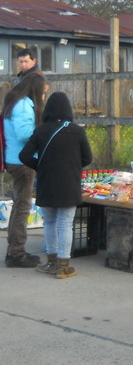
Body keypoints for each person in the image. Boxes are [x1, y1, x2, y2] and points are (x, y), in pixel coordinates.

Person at [20, 92, 93, 278]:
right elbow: (88, 158)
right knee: (65, 224)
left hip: (47, 182)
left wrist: (41, 167)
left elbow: (24, 156)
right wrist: (73, 167)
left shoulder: (40, 130)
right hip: (69, 183)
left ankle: (51, 262)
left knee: (50, 222)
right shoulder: (77, 131)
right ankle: (63, 266)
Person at [3, 73, 48, 267]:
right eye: (43, 94)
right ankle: (16, 254)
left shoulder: (16, 102)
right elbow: (24, 134)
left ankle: (14, 250)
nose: (44, 98)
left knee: (19, 204)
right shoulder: (23, 105)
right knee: (23, 207)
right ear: (36, 90)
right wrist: (43, 133)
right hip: (23, 162)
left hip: (15, 159)